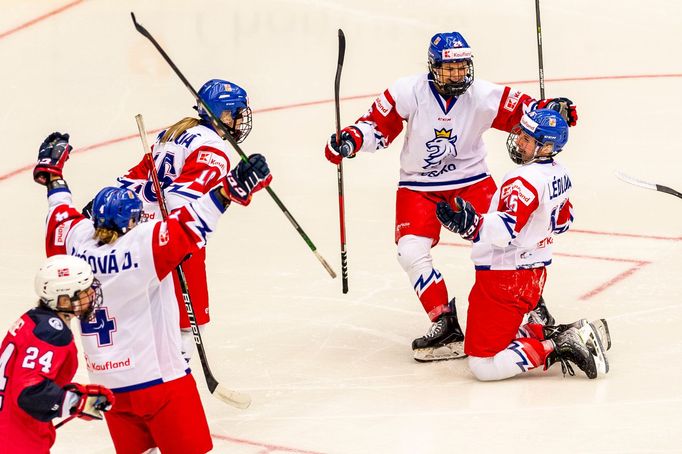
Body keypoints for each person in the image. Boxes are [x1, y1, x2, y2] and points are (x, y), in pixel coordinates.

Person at [324, 31, 578, 362]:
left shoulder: (483, 93)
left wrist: (555, 110)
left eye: (462, 67)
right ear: (433, 67)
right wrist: (352, 139)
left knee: (504, 239)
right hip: (418, 185)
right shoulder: (407, 91)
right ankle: (444, 323)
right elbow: (375, 125)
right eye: (449, 68)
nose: (457, 74)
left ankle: (531, 306)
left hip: (471, 180)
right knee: (409, 250)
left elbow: (528, 113)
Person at [34, 130, 271, 453]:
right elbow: (194, 219)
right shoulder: (144, 245)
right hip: (161, 383)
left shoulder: (75, 241)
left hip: (109, 385)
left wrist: (53, 176)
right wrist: (231, 190)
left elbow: (59, 212)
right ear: (131, 222)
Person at [435, 108, 610, 380]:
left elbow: (505, 233)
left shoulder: (521, 181)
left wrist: (470, 224)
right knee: (501, 337)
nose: (519, 142)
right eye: (521, 135)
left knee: (483, 365)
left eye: (528, 139)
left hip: (504, 278)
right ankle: (567, 332)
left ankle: (560, 344)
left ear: (547, 146)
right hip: (532, 275)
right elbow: (564, 221)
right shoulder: (560, 173)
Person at [94, 79, 256, 361]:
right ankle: (174, 373)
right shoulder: (214, 149)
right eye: (238, 112)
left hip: (142, 236)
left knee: (148, 313)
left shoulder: (176, 132)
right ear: (223, 113)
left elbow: (133, 179)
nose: (241, 119)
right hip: (175, 238)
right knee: (185, 326)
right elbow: (182, 200)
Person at [0, 254, 114, 453]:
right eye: (83, 292)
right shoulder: (51, 332)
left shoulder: (33, 320)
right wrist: (75, 401)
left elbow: (25, 376)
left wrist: (73, 393)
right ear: (63, 299)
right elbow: (28, 393)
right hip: (17, 440)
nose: (91, 295)